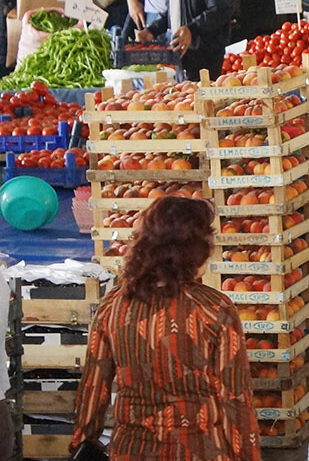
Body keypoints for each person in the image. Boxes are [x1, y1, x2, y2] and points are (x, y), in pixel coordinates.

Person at [71, 197, 259, 460]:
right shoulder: (215, 310)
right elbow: (236, 401)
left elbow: (93, 389)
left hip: (131, 450)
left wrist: (83, 440)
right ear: (193, 249)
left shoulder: (113, 306)